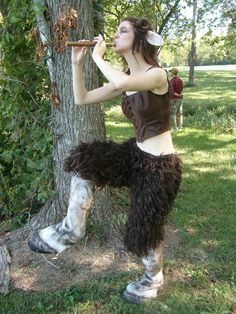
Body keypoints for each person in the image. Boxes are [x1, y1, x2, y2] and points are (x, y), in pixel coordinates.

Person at [28, 17, 182, 304]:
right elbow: (82, 98)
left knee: (143, 229)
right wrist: (77, 63)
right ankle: (71, 229)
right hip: (135, 154)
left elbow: (123, 81)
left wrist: (98, 57)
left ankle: (152, 278)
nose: (115, 34)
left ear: (139, 40)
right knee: (85, 160)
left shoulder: (157, 75)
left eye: (122, 30)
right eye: (117, 30)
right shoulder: (124, 79)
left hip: (160, 166)